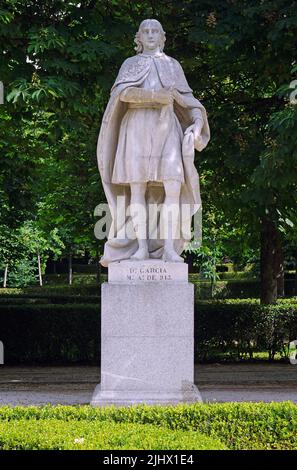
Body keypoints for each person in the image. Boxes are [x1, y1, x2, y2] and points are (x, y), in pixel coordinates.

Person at [97, 19, 210, 266]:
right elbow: (121, 95)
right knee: (137, 188)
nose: (150, 35)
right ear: (139, 37)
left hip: (166, 128)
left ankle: (169, 248)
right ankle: (140, 249)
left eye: (155, 31)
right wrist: (156, 97)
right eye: (145, 31)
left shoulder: (172, 66)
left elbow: (188, 101)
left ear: (162, 37)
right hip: (136, 128)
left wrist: (197, 123)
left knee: (172, 186)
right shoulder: (131, 64)